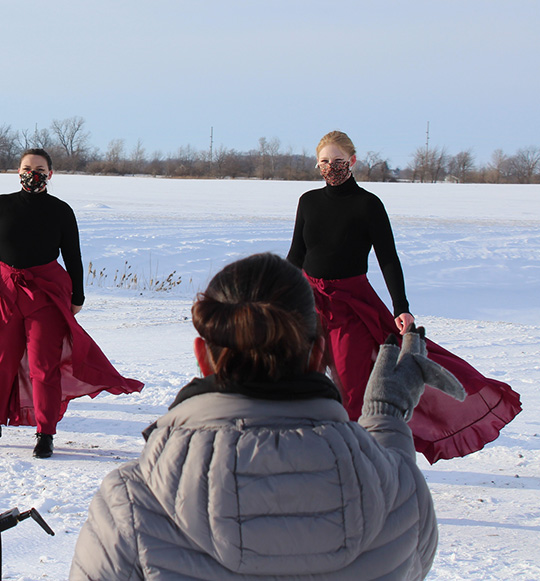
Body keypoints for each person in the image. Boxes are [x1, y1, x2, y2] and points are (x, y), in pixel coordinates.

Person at [70, 252, 466, 581]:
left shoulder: (130, 501)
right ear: (318, 355)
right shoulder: (400, 492)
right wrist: (386, 414)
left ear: (201, 357)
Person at [287, 130, 521, 462]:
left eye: (338, 161)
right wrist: (277, 291)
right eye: (324, 161)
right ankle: (309, 452)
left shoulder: (368, 205)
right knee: (299, 377)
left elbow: (388, 258)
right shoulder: (308, 201)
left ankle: (357, 459)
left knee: (352, 387)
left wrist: (401, 307)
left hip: (351, 304)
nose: (331, 167)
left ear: (352, 162)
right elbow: (296, 254)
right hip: (310, 302)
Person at [0, 148, 144, 458]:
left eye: (39, 168)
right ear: (18, 171)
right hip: (5, 292)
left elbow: (73, 257)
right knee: (2, 361)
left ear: (50, 174)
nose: (32, 173)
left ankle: (45, 432)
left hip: (47, 295)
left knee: (43, 366)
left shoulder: (61, 211)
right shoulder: (2, 204)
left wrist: (77, 296)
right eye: (27, 167)